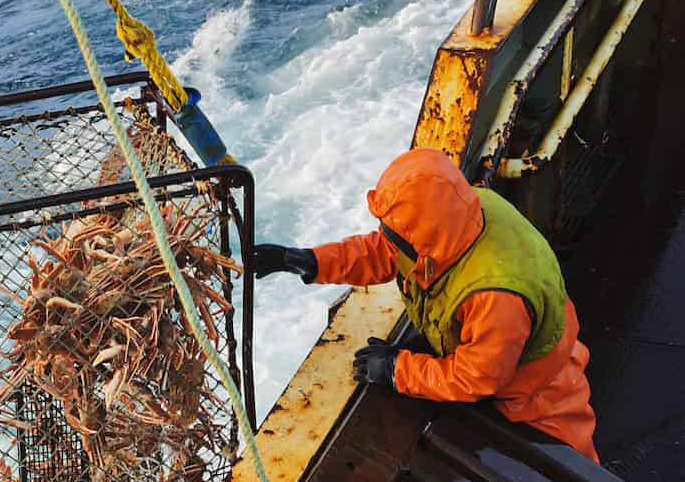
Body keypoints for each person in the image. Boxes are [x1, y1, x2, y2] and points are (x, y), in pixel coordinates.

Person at [254, 147, 599, 461]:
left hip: (536, 390)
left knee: (574, 474)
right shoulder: (454, 215)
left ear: (427, 250)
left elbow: (475, 378)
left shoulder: (495, 297)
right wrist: (311, 261)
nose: (387, 242)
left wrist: (396, 369)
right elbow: (385, 251)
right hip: (497, 348)